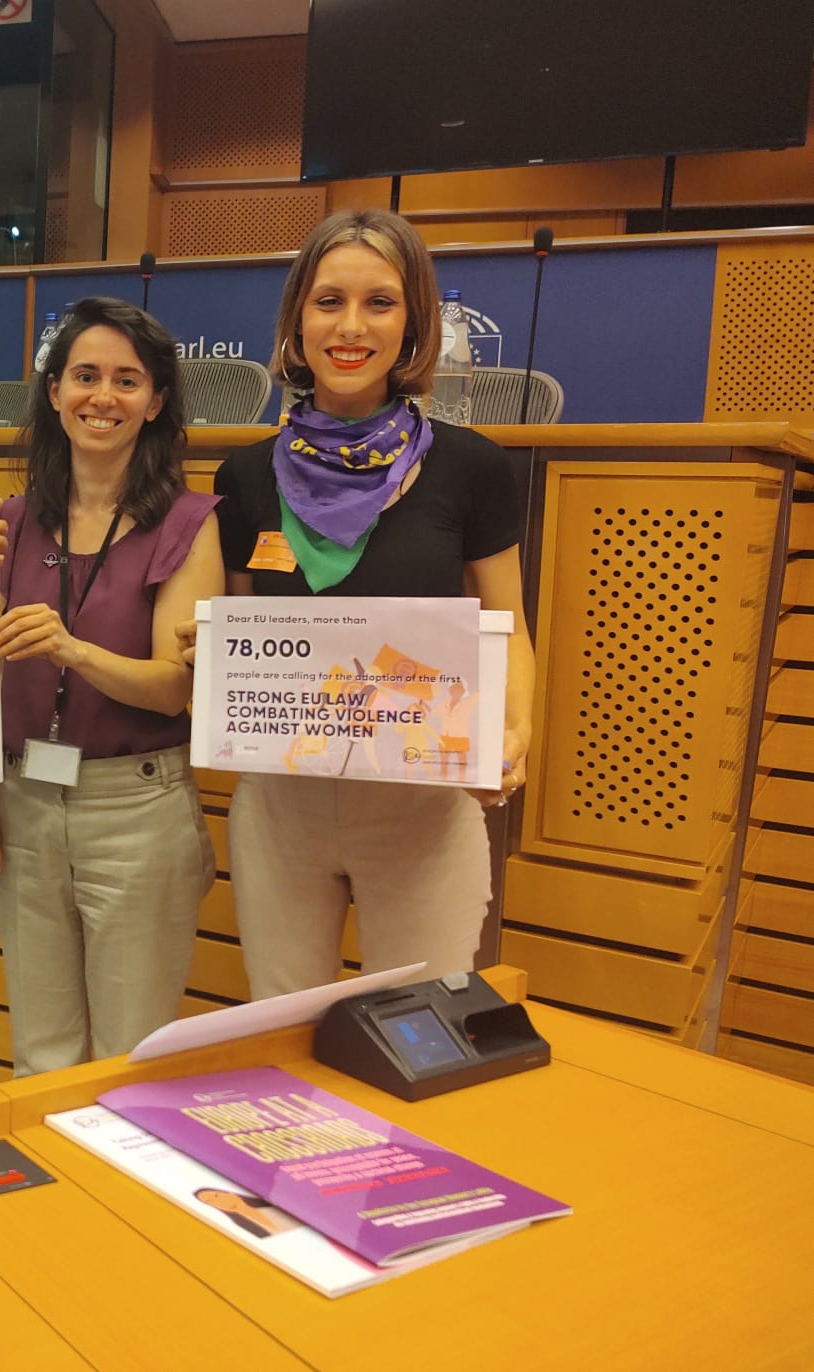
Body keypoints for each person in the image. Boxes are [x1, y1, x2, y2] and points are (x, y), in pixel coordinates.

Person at [210, 209, 534, 1000]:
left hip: (419, 807)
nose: (350, 326)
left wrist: (515, 734)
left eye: (379, 302)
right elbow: (236, 628)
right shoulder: (244, 477)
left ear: (413, 321)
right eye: (327, 301)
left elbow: (508, 629)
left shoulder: (473, 468)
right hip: (280, 807)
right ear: (296, 320)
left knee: (418, 1042)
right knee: (281, 1038)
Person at [0, 297, 225, 1076]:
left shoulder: (187, 521)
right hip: (19, 804)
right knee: (39, 1053)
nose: (101, 397)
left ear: (156, 402)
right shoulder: (6, 523)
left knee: (127, 1057)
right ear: (51, 392)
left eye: (125, 380)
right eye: (83, 376)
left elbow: (173, 691)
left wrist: (71, 648)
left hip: (135, 810)